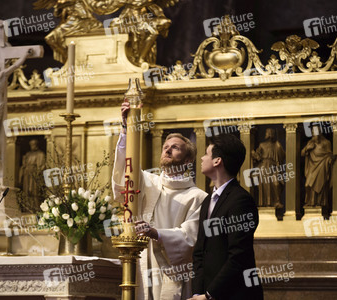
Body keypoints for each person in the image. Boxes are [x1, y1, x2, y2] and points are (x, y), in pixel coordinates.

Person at [112, 101, 207, 300]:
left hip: (172, 270)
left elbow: (191, 239)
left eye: (175, 148)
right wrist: (126, 128)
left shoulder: (197, 197)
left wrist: (157, 234)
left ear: (188, 160)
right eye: (166, 147)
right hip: (142, 264)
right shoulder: (148, 182)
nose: (168, 150)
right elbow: (125, 169)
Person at [190, 134, 263, 300]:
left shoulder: (241, 201)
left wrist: (209, 295)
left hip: (234, 294)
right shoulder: (208, 200)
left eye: (206, 154)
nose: (201, 158)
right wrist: (197, 293)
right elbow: (200, 252)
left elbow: (238, 256)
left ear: (217, 161)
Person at [301, 125, 336, 207]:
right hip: (312, 167)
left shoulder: (326, 143)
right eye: (313, 132)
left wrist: (330, 159)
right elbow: (302, 153)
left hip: (322, 165)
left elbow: (329, 154)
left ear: (320, 132)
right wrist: (307, 148)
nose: (314, 134)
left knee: (321, 185)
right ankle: (311, 202)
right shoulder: (310, 142)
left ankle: (320, 204)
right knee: (308, 185)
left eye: (316, 132)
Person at [251, 128, 285, 207]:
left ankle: (276, 201)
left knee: (275, 183)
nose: (266, 134)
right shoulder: (262, 145)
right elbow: (258, 157)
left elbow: (283, 156)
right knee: (264, 184)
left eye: (267, 133)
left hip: (273, 167)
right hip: (263, 166)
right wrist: (254, 154)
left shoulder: (276, 144)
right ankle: (265, 204)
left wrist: (279, 147)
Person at [19, 139, 46, 212]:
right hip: (27, 174)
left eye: (33, 144)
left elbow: (43, 165)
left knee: (34, 191)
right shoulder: (28, 154)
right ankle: (27, 208)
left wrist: (38, 172)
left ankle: (36, 208)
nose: (32, 146)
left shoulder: (40, 154)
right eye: (31, 145)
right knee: (26, 191)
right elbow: (24, 165)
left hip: (35, 174)